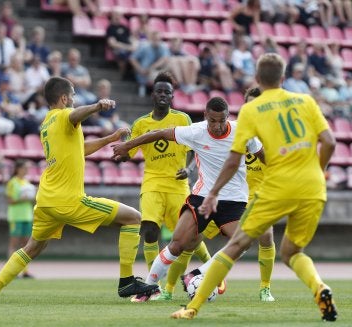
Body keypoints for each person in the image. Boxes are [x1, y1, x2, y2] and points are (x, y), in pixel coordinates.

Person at [169, 53, 337, 322]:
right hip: (313, 187)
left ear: (257, 79)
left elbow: (234, 160)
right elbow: (329, 142)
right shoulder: (306, 101)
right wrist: (318, 172)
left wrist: (212, 193)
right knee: (292, 252)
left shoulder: (250, 111)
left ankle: (193, 307)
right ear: (283, 79)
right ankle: (320, 288)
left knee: (235, 246)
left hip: (277, 187)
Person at [0, 76, 159, 303]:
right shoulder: (65, 115)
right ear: (64, 98)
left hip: (45, 201)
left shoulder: (47, 124)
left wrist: (110, 138)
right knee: (133, 218)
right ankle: (126, 281)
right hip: (68, 201)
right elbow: (74, 114)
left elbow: (79, 149)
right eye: (72, 96)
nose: (73, 100)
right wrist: (97, 106)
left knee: (32, 247)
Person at [112, 96, 273, 302]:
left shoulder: (243, 131)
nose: (217, 125)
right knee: (177, 245)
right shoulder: (196, 131)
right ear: (205, 116)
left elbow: (263, 155)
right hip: (202, 197)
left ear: (228, 117)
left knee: (243, 241)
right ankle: (149, 288)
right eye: (212, 120)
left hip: (233, 201)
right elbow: (158, 133)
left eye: (222, 120)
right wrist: (128, 145)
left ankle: (196, 275)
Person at [121, 72, 211, 302]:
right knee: (150, 230)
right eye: (159, 91)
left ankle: (212, 273)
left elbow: (196, 148)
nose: (163, 95)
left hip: (178, 185)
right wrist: (121, 144)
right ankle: (154, 287)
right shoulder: (141, 124)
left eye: (167, 92)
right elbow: (127, 155)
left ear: (172, 96)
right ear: (153, 94)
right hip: (152, 182)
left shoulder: (182, 119)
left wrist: (189, 170)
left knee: (191, 237)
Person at [6, 159, 35, 279]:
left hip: (27, 216)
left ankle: (25, 271)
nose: (26, 170)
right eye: (24, 168)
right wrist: (21, 199)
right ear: (18, 169)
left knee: (26, 245)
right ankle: (11, 271)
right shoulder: (12, 182)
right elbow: (9, 200)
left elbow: (31, 199)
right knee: (14, 244)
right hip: (16, 216)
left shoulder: (27, 182)